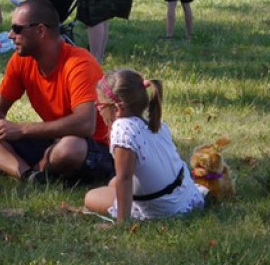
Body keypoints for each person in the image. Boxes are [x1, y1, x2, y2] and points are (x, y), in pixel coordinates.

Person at [0, 0, 113, 184]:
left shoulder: (79, 64)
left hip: (91, 146)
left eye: (17, 29)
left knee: (70, 147)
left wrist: (22, 130)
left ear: (40, 31)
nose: (9, 35)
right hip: (52, 141)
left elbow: (85, 125)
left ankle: (16, 166)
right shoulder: (21, 60)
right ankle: (29, 175)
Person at [84, 69, 206, 223]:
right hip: (187, 197)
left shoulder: (122, 129)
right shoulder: (153, 124)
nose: (98, 110)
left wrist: (121, 223)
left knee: (91, 197)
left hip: (165, 209)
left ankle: (128, 214)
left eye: (100, 105)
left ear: (117, 108)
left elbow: (125, 179)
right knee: (112, 183)